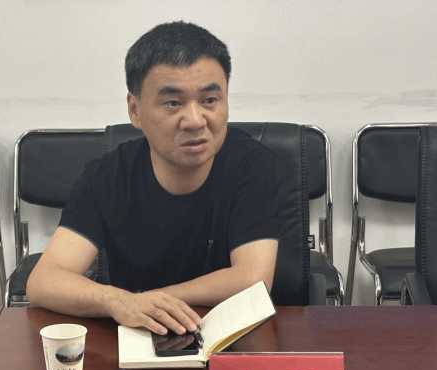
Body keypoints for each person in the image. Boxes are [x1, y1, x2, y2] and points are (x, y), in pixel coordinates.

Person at [27, 21, 279, 336]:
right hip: (138, 341)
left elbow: (253, 278)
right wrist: (117, 301)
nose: (195, 120)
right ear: (135, 110)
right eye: (173, 103)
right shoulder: (107, 177)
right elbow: (43, 281)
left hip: (231, 339)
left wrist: (145, 301)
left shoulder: (252, 165)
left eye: (210, 100)